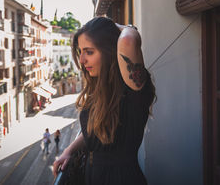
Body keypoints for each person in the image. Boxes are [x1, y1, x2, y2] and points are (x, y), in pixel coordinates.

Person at [52, 17, 156, 185]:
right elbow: (93, 133)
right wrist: (69, 150)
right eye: (81, 52)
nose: (82, 60)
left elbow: (129, 39)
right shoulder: (102, 90)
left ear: (109, 51)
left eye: (89, 52)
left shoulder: (132, 89)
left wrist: (119, 26)